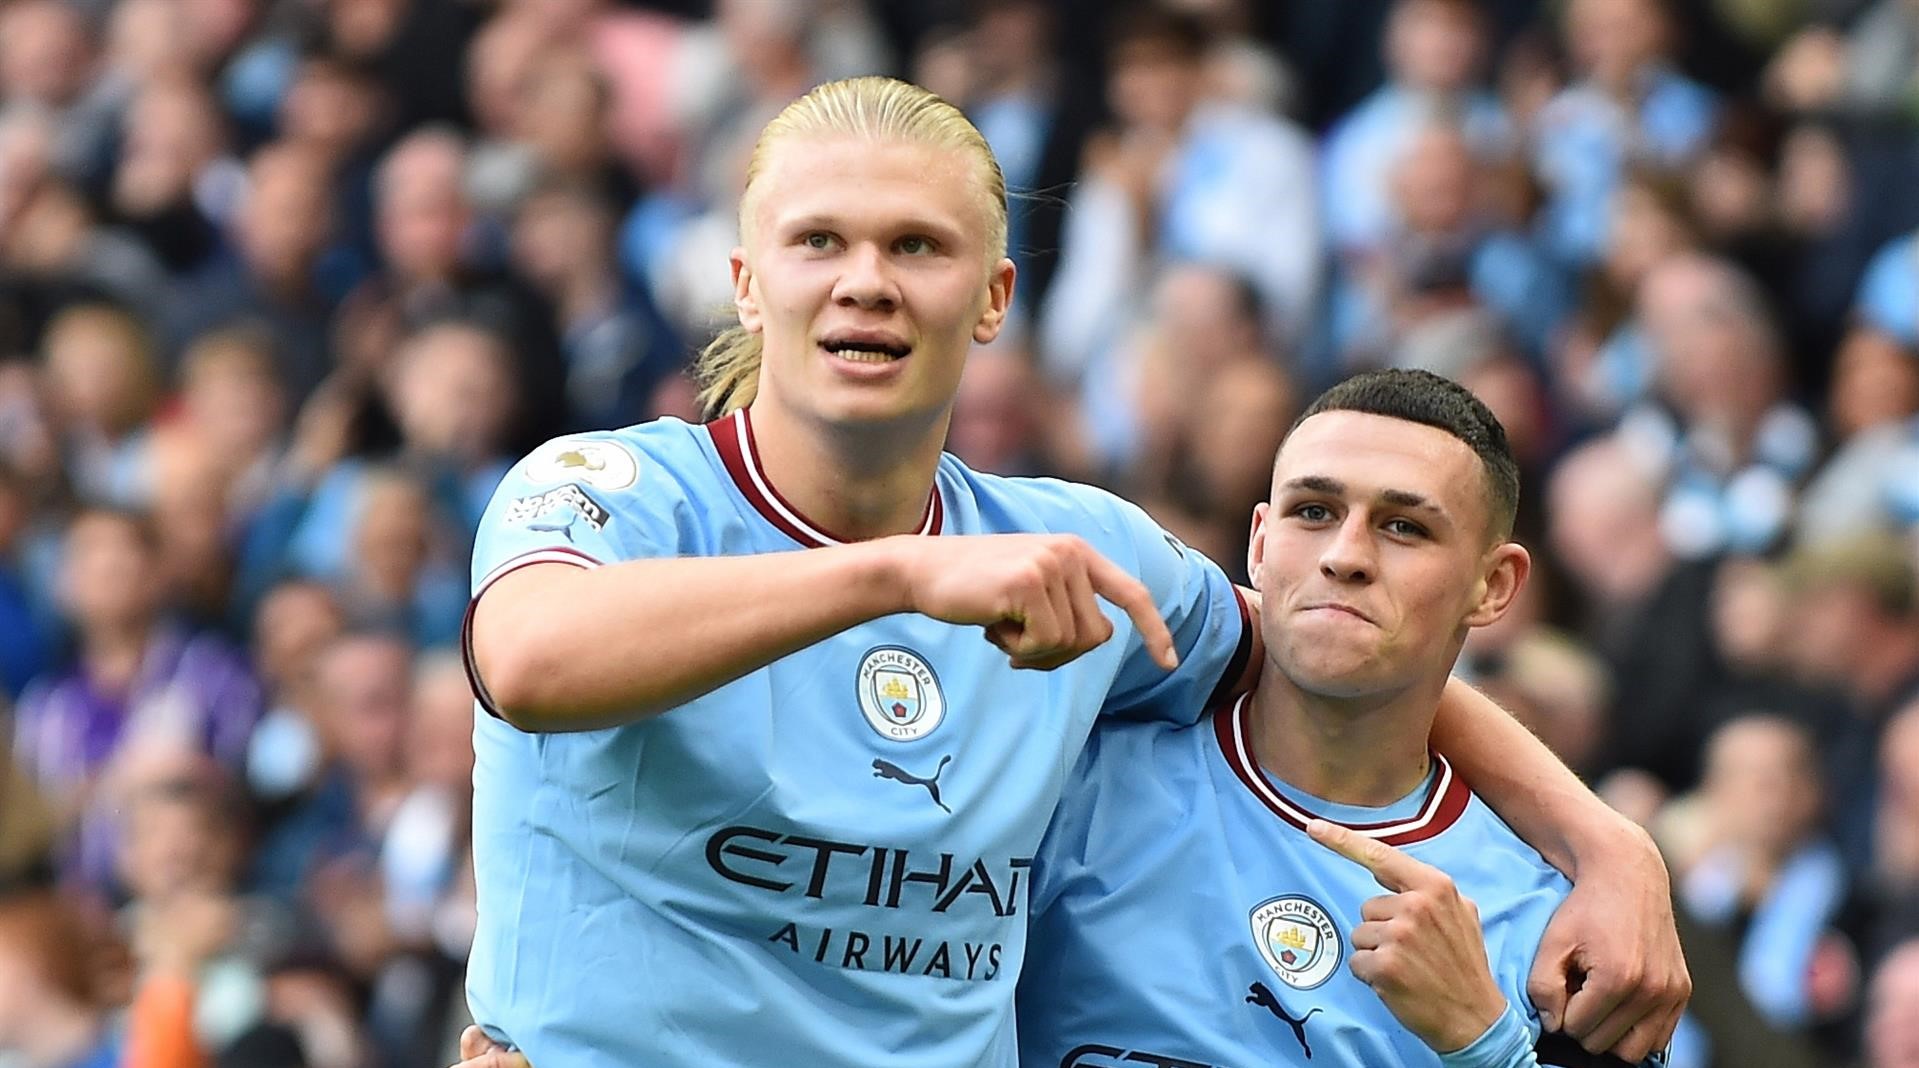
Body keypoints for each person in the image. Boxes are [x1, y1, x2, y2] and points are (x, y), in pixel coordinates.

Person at [455, 77, 1685, 1068]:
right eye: (817, 239)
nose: (865, 280)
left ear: (992, 299)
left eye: (916, 246)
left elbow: (1323, 639)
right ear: (745, 282)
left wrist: (1605, 844)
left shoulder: (1066, 550)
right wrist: (893, 579)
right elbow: (528, 661)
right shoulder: (613, 490)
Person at [1017, 370, 1671, 1067]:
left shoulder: (1564, 931)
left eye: (1402, 527)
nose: (1345, 556)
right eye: (1313, 512)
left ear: (1493, 585)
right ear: (1260, 545)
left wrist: (1482, 1042)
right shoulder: (1068, 792)